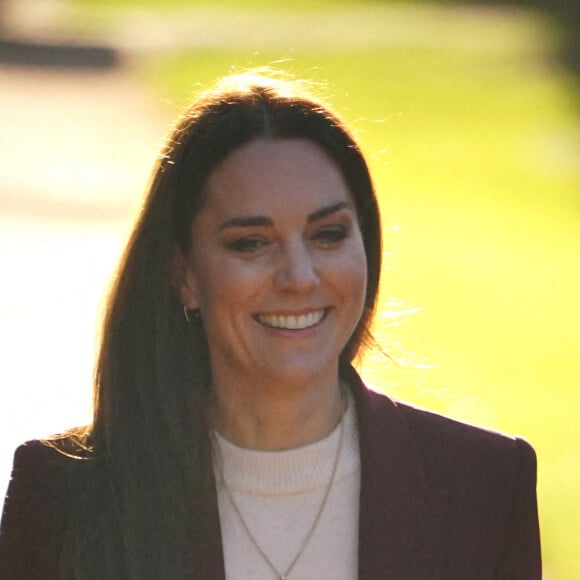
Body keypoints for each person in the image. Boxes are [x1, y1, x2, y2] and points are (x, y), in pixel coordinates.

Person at [0, 71, 541, 580]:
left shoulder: (489, 486)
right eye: (251, 242)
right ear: (184, 274)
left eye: (328, 234)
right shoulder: (62, 495)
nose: (300, 277)